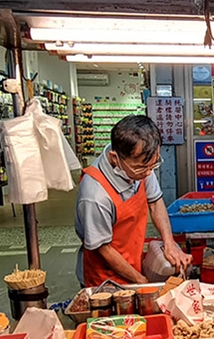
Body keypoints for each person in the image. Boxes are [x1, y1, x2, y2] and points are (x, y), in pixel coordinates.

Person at [75, 115, 191, 287]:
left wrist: (169, 243)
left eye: (153, 165)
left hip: (133, 261)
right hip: (105, 279)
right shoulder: (95, 196)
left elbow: (155, 202)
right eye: (141, 168)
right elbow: (104, 249)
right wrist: (141, 282)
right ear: (115, 158)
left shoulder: (142, 164)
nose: (147, 173)